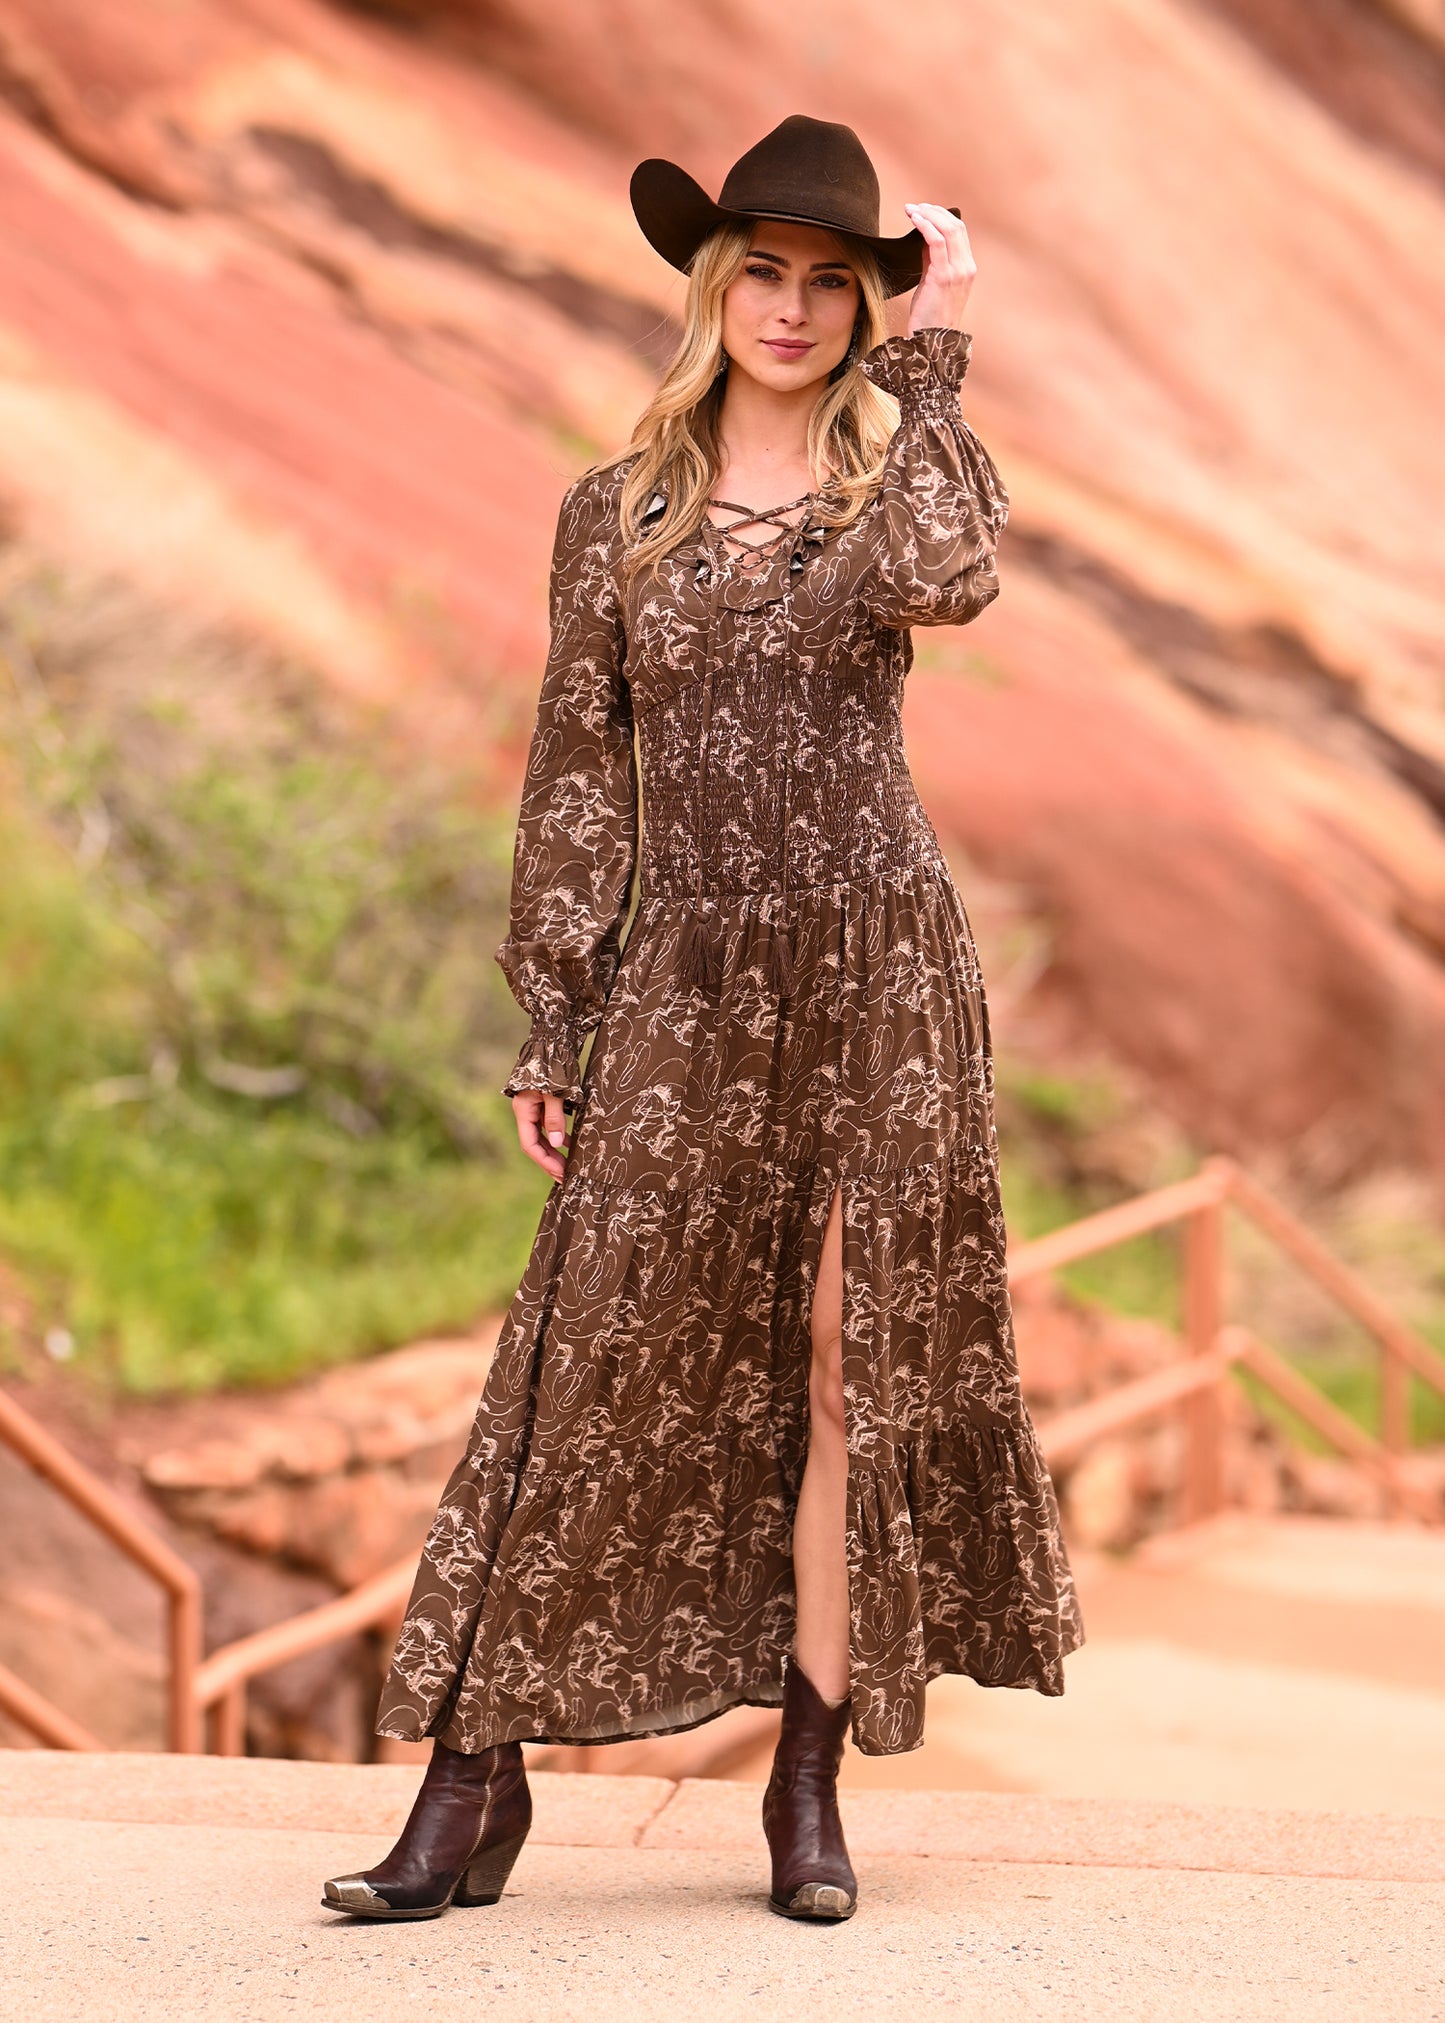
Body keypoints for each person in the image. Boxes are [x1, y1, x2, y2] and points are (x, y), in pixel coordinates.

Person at [324, 112, 1081, 1928]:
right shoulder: (617, 511)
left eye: (837, 282)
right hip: (682, 980)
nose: (799, 308)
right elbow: (576, 772)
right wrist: (554, 1015)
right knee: (588, 1363)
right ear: (714, 285)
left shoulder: (883, 487)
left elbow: (951, 574)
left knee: (841, 1374)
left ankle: (802, 1801)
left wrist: (945, 339)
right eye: (771, 272)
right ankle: (471, 1782)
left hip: (877, 970)